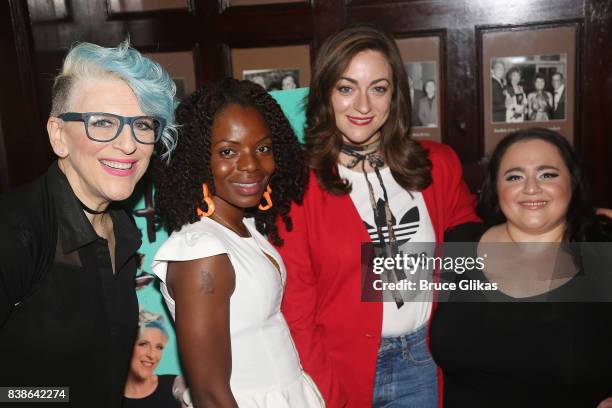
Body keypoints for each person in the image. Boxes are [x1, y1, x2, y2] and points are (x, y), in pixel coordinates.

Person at [275, 24, 480, 408]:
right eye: (346, 87)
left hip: (424, 360)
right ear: (325, 94)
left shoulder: (438, 165)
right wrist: (327, 394)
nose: (363, 106)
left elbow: (475, 254)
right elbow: (297, 314)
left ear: (395, 95)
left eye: (378, 88)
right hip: (339, 369)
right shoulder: (297, 185)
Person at [0, 41, 177, 407]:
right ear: (58, 135)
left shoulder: (122, 227)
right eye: (103, 123)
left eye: (142, 125)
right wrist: (60, 399)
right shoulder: (15, 232)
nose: (128, 144)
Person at [151, 78, 324, 408]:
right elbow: (210, 395)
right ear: (199, 159)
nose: (251, 165)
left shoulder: (241, 226)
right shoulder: (201, 251)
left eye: (262, 148)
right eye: (228, 152)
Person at [430, 128, 612, 407]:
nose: (531, 188)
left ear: (572, 183)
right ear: (495, 188)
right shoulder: (458, 244)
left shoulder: (601, 250)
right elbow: (370, 282)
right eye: (514, 176)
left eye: (547, 174)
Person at [124, 310, 186, 408]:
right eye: (143, 344)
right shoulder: (106, 397)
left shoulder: (177, 388)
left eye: (159, 347)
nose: (152, 355)